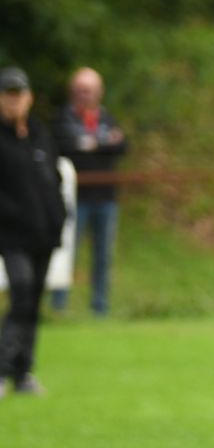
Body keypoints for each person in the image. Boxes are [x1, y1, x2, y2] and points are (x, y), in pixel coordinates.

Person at [0, 67, 68, 398]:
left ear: (29, 98)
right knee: (22, 290)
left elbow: (53, 178)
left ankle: (23, 370)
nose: (14, 102)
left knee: (34, 301)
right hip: (12, 235)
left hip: (44, 234)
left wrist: (58, 216)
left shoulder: (40, 135)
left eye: (19, 95)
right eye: (8, 95)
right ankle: (2, 368)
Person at [53, 66, 128, 314]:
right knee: (67, 253)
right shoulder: (63, 120)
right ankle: (58, 308)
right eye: (80, 90)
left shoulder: (107, 118)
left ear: (99, 92)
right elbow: (64, 148)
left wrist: (91, 144)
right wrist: (103, 143)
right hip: (73, 198)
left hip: (106, 197)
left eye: (89, 90)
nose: (84, 95)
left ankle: (100, 308)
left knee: (103, 255)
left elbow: (122, 146)